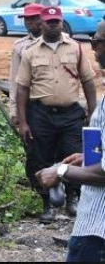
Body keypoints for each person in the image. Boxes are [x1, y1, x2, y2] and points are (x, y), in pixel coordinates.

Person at [16, 6, 97, 223]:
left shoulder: (76, 48)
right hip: (41, 114)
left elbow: (88, 81)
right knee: (40, 157)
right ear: (41, 23)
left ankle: (73, 199)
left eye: (57, 21)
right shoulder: (30, 52)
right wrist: (23, 122)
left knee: (74, 155)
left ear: (62, 23)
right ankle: (47, 205)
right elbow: (22, 88)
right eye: (49, 21)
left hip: (71, 114)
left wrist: (93, 113)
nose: (53, 25)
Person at [35, 19, 105, 262]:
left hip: (98, 232)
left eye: (97, 41)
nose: (93, 47)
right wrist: (87, 158)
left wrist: (60, 171)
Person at [9, 3, 44, 126]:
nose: (29, 22)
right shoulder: (20, 47)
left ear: (43, 19)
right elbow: (14, 80)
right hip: (31, 106)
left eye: (33, 18)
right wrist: (14, 111)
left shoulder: (58, 43)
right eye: (26, 18)